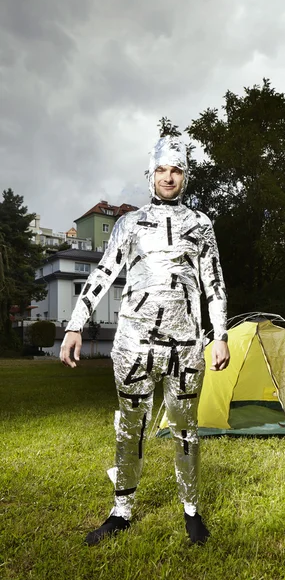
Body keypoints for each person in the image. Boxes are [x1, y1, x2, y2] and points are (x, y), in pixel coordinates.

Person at [60, 135, 230, 546]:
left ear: (184, 176)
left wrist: (220, 335)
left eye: (176, 171)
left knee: (187, 430)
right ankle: (121, 511)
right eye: (161, 170)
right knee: (129, 429)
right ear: (150, 175)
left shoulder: (200, 224)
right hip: (134, 346)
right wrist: (74, 324)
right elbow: (102, 274)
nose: (168, 177)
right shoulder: (129, 224)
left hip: (186, 347)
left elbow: (214, 283)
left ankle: (191, 510)